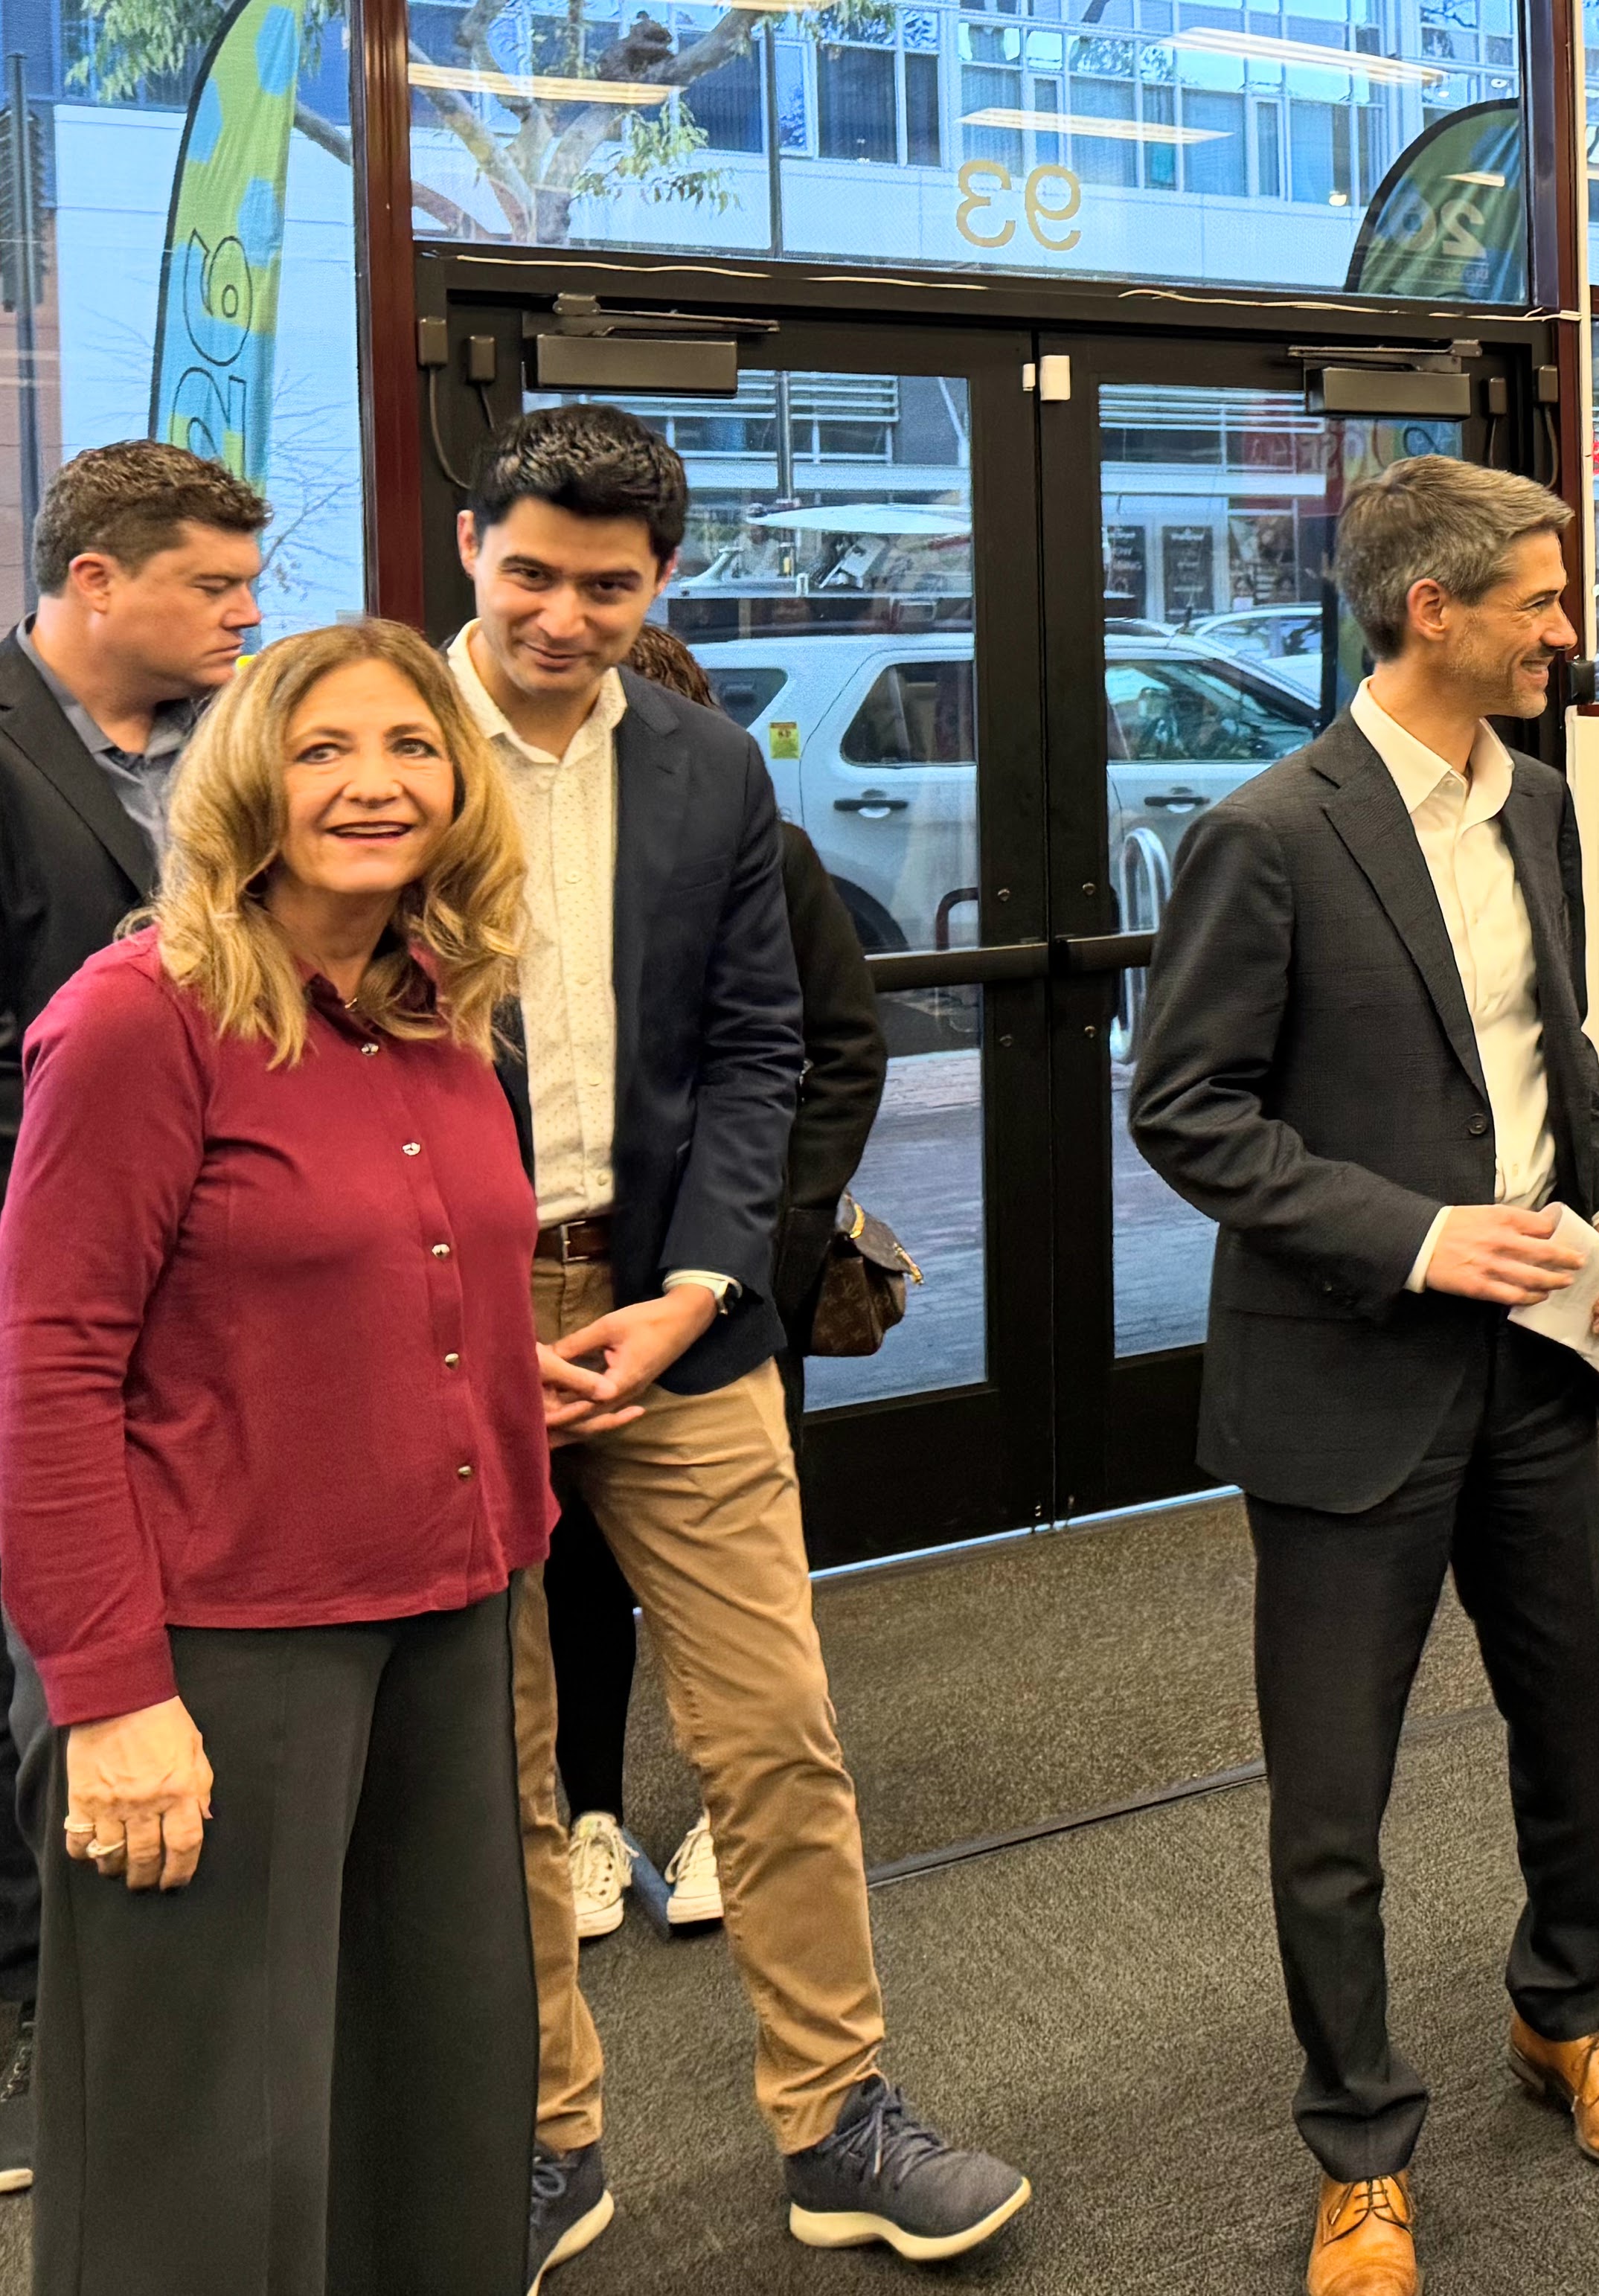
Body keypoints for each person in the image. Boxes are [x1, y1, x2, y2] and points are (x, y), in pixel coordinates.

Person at [453, 406, 1025, 2286]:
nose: (560, 613)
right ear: (474, 546)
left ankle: (840, 2121)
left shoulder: (707, 763)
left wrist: (702, 1288)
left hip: (677, 1309)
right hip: (444, 1326)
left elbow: (769, 1046)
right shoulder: (371, 741)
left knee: (776, 1732)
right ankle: (542, 2141)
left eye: (605, 585)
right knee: (503, 1761)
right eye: (530, 570)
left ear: (661, 585)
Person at [1129, 456, 1599, 2296]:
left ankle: (1568, 2016)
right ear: (1431, 610)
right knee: (1333, 1797)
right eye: (1538, 597)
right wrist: (1416, 1233)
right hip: (1348, 1376)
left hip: (1537, 1369)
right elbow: (1185, 1110)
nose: (1567, 627)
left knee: (1577, 1721)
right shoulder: (1271, 831)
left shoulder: (1538, 803)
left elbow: (1557, 1046)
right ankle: (1360, 2143)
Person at [0, 620, 558, 2288]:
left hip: (450, 1616)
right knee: (208, 2148)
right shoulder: (139, 1017)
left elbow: (409, 1269)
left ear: (460, 786)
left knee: (437, 2093)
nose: (373, 782)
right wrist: (106, 1696)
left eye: (410, 745)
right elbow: (45, 1367)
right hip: (223, 1653)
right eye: (323, 748)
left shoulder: (441, 1004)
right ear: (250, 775)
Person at [0, 437, 269, 2187]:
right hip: (54, 1266)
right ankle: (44, 2028)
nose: (249, 616)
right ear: (98, 580)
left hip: (229, 1293)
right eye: (214, 585)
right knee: (49, 1670)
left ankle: (177, 2002)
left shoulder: (224, 756)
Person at [545, 623, 890, 1949]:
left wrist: (768, 1240)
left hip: (733, 1280)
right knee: (573, 1559)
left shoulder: (762, 848)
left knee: (747, 1587)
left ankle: (715, 1817)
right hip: (573, 1275)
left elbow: (830, 1053)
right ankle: (589, 1816)